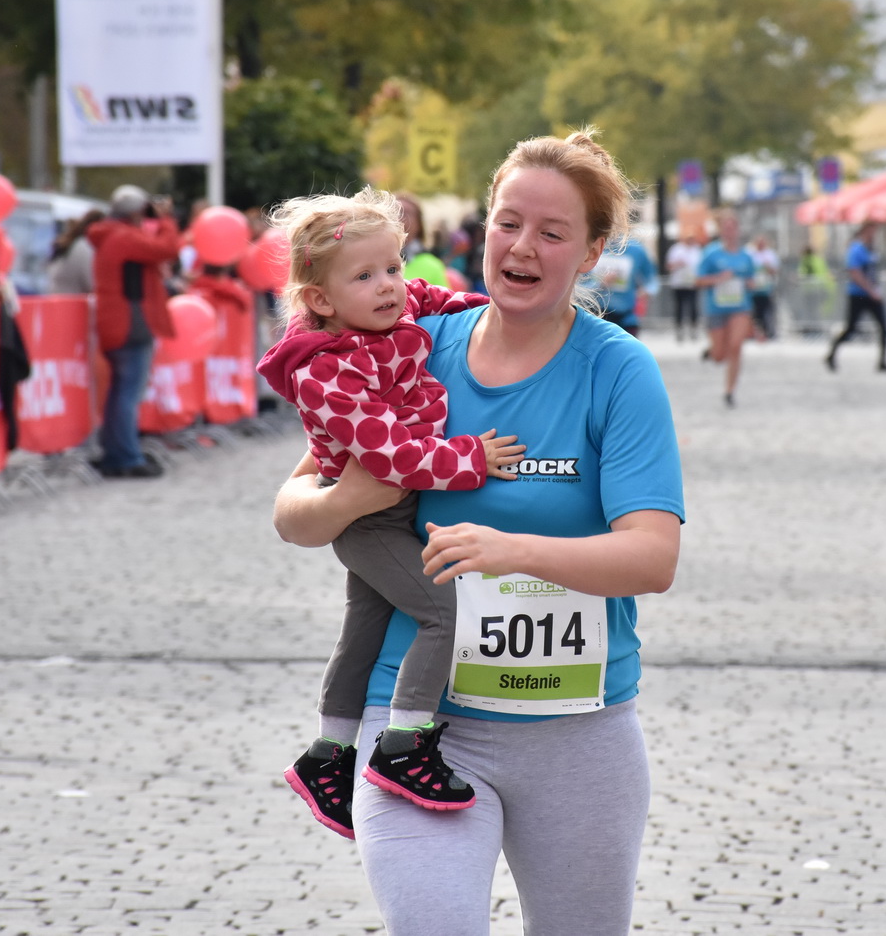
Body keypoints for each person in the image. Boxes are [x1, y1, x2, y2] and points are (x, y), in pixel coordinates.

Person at [271, 129, 683, 935]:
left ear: (591, 252)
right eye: (507, 222)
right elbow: (294, 511)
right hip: (422, 731)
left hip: (578, 733)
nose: (522, 247)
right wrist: (349, 494)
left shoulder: (618, 369)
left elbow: (653, 556)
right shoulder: (412, 345)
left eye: (552, 232)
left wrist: (507, 551)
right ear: (483, 228)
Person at [256, 187, 524, 838]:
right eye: (366, 275)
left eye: (395, 267)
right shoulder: (326, 370)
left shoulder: (391, 316)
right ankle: (405, 744)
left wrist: (498, 315)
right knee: (444, 607)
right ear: (319, 300)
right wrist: (472, 460)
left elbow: (445, 302)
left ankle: (328, 753)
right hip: (369, 518)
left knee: (364, 628)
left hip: (391, 511)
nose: (390, 287)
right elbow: (393, 456)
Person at [88, 185, 180, 478]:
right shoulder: (123, 237)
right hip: (130, 323)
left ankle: (115, 453)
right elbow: (166, 249)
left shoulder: (110, 235)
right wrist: (165, 220)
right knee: (129, 393)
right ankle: (127, 456)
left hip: (118, 322)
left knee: (119, 393)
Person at [698, 211, 756, 408]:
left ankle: (730, 391)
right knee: (719, 356)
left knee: (736, 346)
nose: (730, 231)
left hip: (740, 307)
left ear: (738, 230)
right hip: (716, 308)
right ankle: (712, 351)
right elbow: (698, 280)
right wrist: (717, 279)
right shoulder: (711, 253)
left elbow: (752, 280)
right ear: (721, 231)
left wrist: (750, 283)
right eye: (726, 228)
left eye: (733, 227)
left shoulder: (746, 256)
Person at [824, 224, 886, 373]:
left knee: (884, 327)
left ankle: (882, 361)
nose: (874, 235)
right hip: (858, 295)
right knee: (850, 328)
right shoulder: (856, 249)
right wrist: (871, 290)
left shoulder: (871, 250)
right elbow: (855, 273)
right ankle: (831, 354)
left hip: (872, 294)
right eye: (871, 231)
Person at [584, 234, 656, 336]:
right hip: (595, 315)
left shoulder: (636, 249)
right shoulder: (589, 247)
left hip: (627, 317)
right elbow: (578, 287)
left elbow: (651, 278)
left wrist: (647, 291)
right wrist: (599, 284)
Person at [48, 210, 104, 295]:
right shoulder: (84, 246)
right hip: (72, 302)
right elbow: (90, 282)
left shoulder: (72, 243)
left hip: (57, 298)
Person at [664, 236, 702, 341]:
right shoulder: (676, 249)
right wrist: (678, 264)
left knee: (693, 307)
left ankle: (693, 328)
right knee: (679, 307)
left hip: (692, 283)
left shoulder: (697, 250)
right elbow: (669, 266)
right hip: (679, 283)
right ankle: (679, 329)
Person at [747, 235, 779, 340]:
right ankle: (755, 332)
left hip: (766, 288)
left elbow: (775, 270)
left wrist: (767, 267)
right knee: (755, 312)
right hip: (754, 289)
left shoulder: (770, 254)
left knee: (767, 310)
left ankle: (768, 331)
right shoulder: (750, 254)